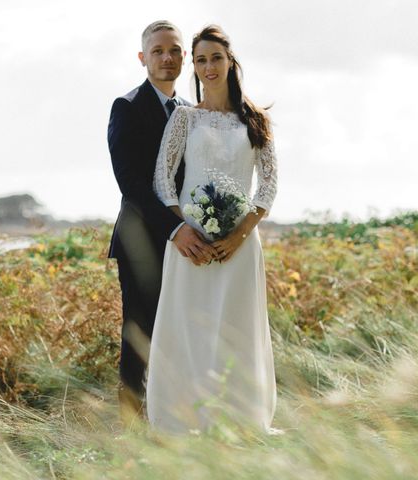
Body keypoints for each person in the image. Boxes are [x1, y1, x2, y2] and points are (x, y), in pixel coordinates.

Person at [147, 24, 278, 434]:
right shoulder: (185, 117)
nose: (208, 67)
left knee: (236, 328)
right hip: (192, 244)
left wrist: (239, 234)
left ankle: (238, 420)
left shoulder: (254, 119)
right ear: (195, 65)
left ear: (230, 61)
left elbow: (269, 184)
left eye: (215, 58)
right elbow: (163, 181)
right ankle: (182, 419)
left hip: (240, 247)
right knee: (188, 326)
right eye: (200, 59)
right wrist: (186, 228)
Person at [107, 20, 217, 422]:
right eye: (158, 51)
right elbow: (130, 183)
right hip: (142, 242)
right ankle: (131, 429)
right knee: (139, 336)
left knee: (182, 332)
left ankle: (177, 418)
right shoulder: (127, 107)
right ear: (143, 58)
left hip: (191, 240)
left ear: (183, 57)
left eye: (174, 50)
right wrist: (174, 229)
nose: (167, 57)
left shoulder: (192, 112)